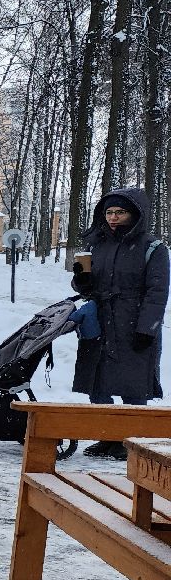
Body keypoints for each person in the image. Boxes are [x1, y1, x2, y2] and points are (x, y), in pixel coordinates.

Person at [70, 186, 168, 459]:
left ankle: (133, 440)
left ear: (135, 214)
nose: (113, 217)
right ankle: (107, 436)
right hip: (100, 320)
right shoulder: (95, 244)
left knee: (133, 383)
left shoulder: (153, 248)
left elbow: (157, 293)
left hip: (132, 321)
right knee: (97, 380)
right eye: (109, 212)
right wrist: (82, 280)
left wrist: (147, 329)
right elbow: (84, 287)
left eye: (120, 212)